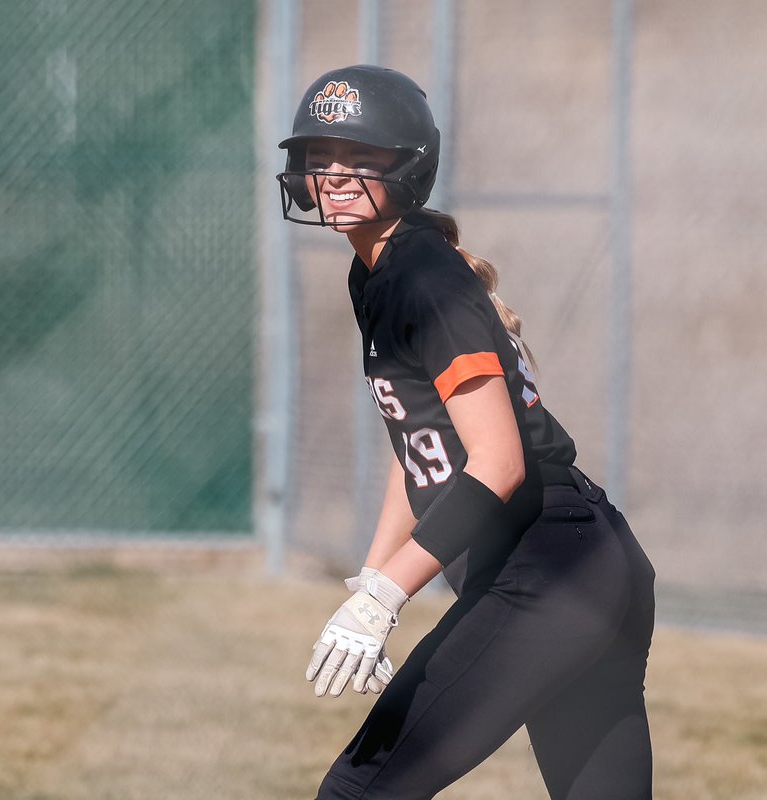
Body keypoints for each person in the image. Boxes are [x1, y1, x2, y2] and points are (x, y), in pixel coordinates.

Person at [277, 64, 657, 800]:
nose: (335, 173)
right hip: (586, 560)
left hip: (546, 567)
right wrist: (373, 573)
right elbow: (418, 445)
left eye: (362, 155)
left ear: (410, 164)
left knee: (359, 792)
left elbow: (496, 463)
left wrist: (387, 595)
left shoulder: (421, 276)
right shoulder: (380, 271)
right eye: (320, 156)